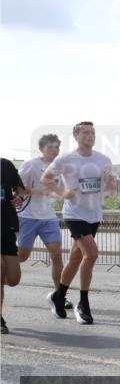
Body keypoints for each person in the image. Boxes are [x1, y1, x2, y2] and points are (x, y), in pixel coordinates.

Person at [42, 122, 115, 325]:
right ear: (76, 135)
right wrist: (62, 193)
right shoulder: (66, 159)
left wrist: (110, 182)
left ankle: (58, 296)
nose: (90, 136)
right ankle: (83, 303)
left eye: (92, 133)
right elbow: (46, 178)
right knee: (91, 254)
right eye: (85, 132)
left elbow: (111, 186)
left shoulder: (103, 159)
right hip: (74, 214)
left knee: (75, 259)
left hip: (94, 214)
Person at [17, 134, 73, 312]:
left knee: (56, 254)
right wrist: (42, 191)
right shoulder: (30, 165)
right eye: (51, 147)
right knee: (22, 256)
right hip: (27, 216)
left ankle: (59, 296)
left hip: (48, 217)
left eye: (57, 147)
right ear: (42, 149)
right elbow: (19, 189)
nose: (55, 151)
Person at [1, 158, 27, 334]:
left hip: (6, 227)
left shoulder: (5, 165)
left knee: (13, 279)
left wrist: (19, 196)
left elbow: (20, 188)